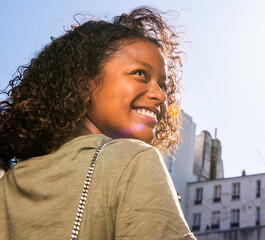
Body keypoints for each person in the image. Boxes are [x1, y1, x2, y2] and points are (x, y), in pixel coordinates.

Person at [0, 7, 196, 240]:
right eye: (140, 73)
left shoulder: (8, 184)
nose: (161, 95)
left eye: (162, 85)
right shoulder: (133, 159)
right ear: (83, 83)